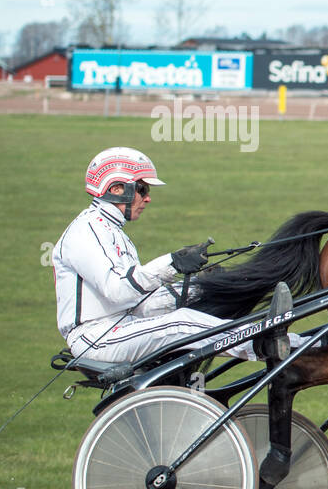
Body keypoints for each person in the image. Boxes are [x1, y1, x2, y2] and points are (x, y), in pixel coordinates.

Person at [52, 147, 298, 366]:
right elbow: (119, 292)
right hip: (96, 337)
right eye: (142, 189)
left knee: (197, 304)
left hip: (118, 326)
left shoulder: (110, 231)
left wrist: (202, 287)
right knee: (180, 324)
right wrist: (172, 263)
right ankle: (267, 345)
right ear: (117, 189)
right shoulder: (85, 232)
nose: (147, 198)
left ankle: (300, 341)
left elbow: (139, 302)